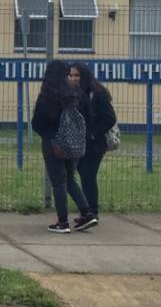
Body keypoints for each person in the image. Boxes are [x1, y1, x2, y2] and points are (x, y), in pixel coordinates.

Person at [32, 59, 97, 233]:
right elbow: (88, 115)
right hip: (73, 142)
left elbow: (37, 122)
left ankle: (62, 222)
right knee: (70, 178)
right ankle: (87, 213)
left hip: (53, 141)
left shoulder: (47, 94)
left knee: (58, 181)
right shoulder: (76, 93)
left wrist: (47, 134)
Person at [69, 62, 116, 228]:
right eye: (71, 75)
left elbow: (110, 118)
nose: (73, 78)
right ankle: (86, 211)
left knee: (88, 176)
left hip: (95, 144)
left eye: (77, 75)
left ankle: (92, 212)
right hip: (81, 143)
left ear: (85, 76)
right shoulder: (74, 93)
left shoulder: (97, 93)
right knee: (83, 174)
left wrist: (93, 133)